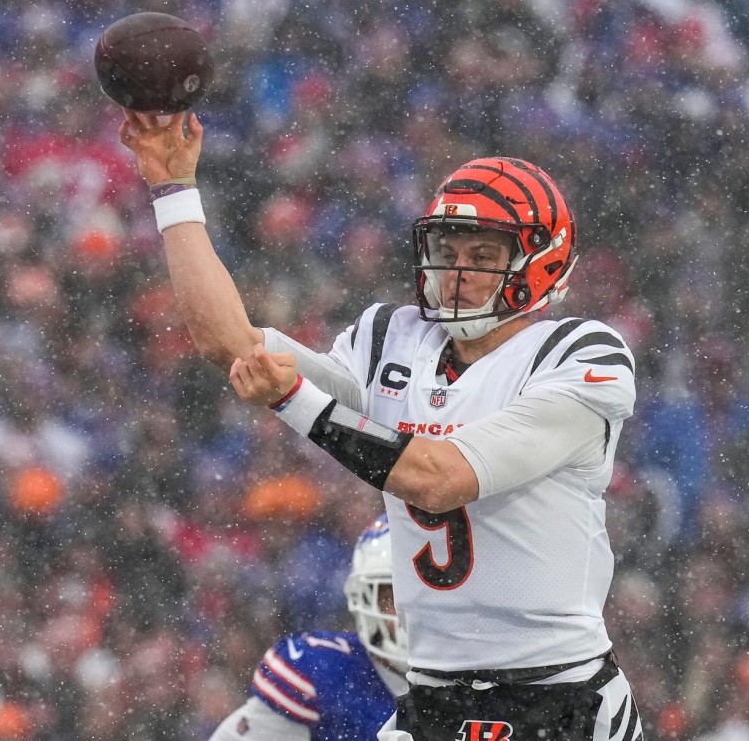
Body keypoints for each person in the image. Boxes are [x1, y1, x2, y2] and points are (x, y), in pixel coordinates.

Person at [121, 109, 642, 740]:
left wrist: (293, 400)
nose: (457, 272)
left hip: (556, 697)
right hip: (431, 697)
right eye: (448, 251)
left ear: (541, 264)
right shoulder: (391, 337)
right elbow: (231, 344)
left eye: (482, 255)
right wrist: (173, 193)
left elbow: (439, 478)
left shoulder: (581, 354)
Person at [209, 514, 407, 740]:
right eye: (396, 597)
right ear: (368, 598)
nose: (417, 613)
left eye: (433, 599)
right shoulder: (327, 676)